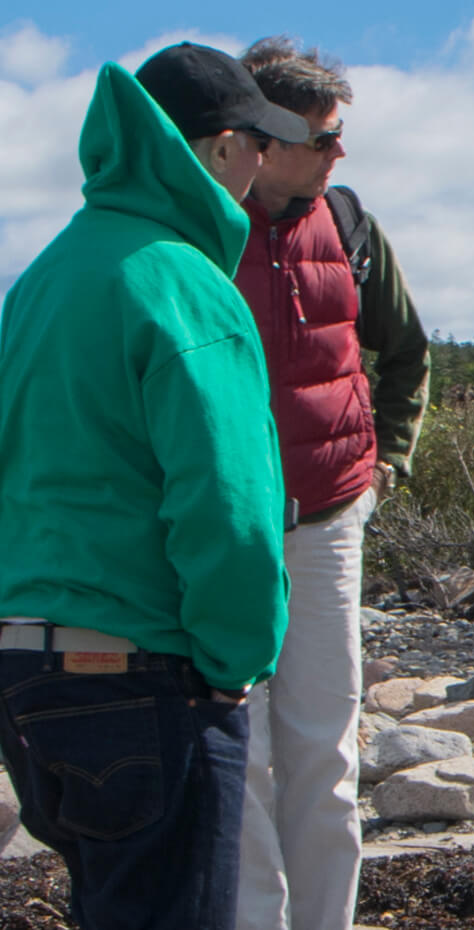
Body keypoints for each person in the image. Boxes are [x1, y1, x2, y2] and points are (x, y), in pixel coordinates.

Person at [0, 42, 303, 929]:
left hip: (26, 675)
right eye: (259, 140)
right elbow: (229, 509)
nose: (267, 161)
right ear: (215, 150)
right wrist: (235, 661)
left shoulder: (42, 278)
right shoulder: (185, 284)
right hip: (143, 672)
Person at [228, 36, 430, 930]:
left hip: (331, 516)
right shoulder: (193, 229)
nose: (337, 153)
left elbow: (409, 353)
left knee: (325, 753)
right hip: (220, 529)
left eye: (339, 134)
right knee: (240, 757)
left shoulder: (348, 222)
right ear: (257, 137)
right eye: (321, 138)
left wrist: (388, 462)